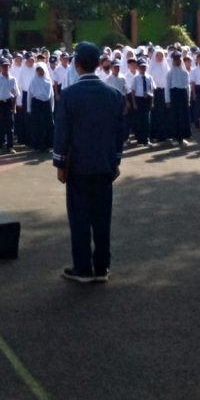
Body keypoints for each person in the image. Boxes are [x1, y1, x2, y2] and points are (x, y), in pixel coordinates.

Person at [53, 41, 127, 283]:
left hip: (78, 166)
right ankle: (102, 267)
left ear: (77, 65)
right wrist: (116, 161)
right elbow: (120, 133)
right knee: (102, 217)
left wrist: (60, 164)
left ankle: (83, 268)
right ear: (98, 64)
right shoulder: (113, 95)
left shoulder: (69, 95)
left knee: (80, 217)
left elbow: (62, 133)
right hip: (105, 164)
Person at [0, 58, 18, 154]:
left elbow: (15, 94)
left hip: (9, 103)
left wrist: (14, 107)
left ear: (9, 67)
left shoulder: (13, 79)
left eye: (6, 66)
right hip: (0, 104)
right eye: (3, 66)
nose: (5, 68)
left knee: (10, 126)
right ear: (0, 67)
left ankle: (10, 146)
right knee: (0, 126)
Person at [166, 51, 192, 146]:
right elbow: (167, 87)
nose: (177, 61)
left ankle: (182, 138)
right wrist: (167, 100)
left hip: (183, 94)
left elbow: (188, 87)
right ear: (173, 61)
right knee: (174, 117)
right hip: (174, 94)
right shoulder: (170, 73)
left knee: (183, 117)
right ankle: (175, 138)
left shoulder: (185, 72)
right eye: (175, 59)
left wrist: (188, 99)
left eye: (179, 59)